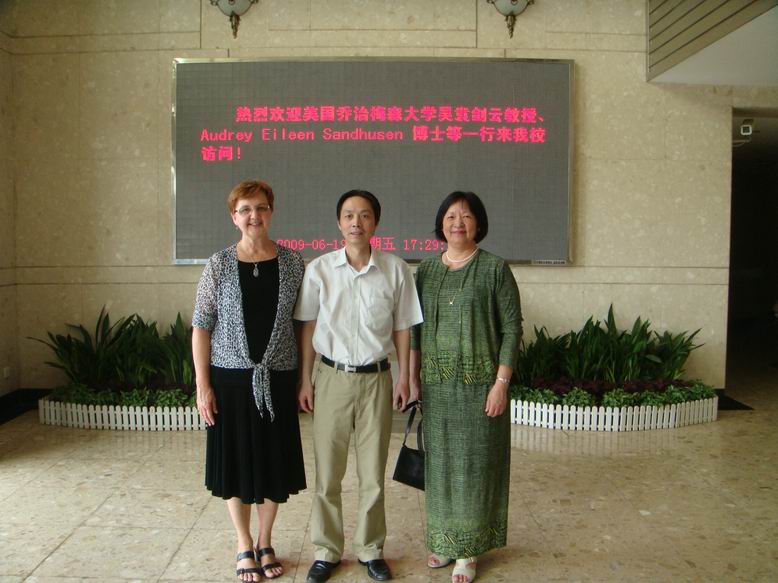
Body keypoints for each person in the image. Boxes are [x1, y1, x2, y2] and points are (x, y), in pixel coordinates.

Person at [295, 189, 423, 583]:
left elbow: (403, 327)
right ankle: (326, 550)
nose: (356, 222)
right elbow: (308, 327)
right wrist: (305, 378)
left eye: (364, 216)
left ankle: (370, 549)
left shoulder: (396, 270)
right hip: (330, 378)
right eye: (349, 215)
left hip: (376, 381)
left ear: (375, 224)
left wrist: (404, 376)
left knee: (372, 474)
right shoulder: (318, 269)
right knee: (328, 475)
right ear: (338, 223)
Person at [192, 179, 306, 582]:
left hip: (277, 380)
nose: (253, 216)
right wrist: (203, 385)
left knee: (273, 463)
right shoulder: (218, 264)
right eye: (244, 210)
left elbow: (301, 324)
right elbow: (201, 326)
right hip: (230, 382)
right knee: (236, 463)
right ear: (234, 217)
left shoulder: (294, 263)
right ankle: (243, 543)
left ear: (271, 211)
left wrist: (303, 378)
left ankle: (265, 539)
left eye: (260, 207)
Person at [409, 191, 522, 583]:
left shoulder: (494, 269)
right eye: (451, 215)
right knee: (439, 466)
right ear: (441, 222)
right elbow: (415, 332)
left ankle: (469, 550)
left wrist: (501, 384)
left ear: (479, 223)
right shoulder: (425, 270)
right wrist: (413, 376)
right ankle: (442, 540)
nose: (459, 222)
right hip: (437, 387)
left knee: (474, 467)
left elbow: (511, 329)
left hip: (480, 388)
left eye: (467, 216)